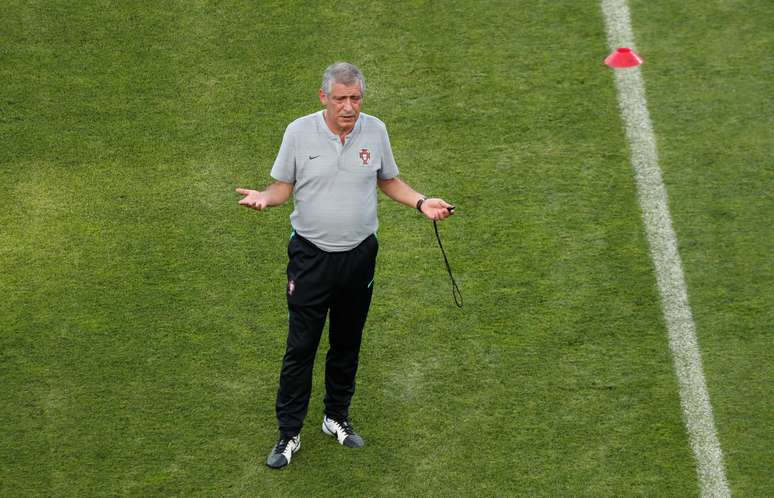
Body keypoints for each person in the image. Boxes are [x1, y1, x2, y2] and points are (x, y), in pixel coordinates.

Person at [236, 62, 455, 469]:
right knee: (301, 347)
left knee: (347, 342)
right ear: (324, 98)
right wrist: (267, 198)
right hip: (310, 258)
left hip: (359, 256)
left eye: (355, 98)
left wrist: (423, 202)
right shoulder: (298, 132)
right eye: (341, 99)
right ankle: (288, 434)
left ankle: (335, 416)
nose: (349, 107)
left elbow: (387, 179)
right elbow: (283, 186)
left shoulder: (376, 130)